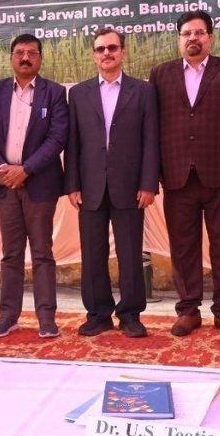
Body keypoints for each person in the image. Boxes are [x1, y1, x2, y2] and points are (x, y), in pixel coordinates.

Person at [149, 11, 220, 338]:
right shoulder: (161, 74)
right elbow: (152, 128)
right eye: (186, 33)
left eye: (199, 32)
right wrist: (153, 172)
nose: (193, 38)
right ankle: (188, 310)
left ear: (210, 37)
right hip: (177, 175)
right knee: (183, 246)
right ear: (179, 39)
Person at [65, 27, 159, 338]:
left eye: (112, 48)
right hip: (89, 186)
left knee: (130, 252)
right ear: (94, 55)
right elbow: (73, 142)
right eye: (100, 49)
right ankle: (98, 314)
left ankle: (130, 315)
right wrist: (72, 184)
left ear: (123, 52)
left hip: (130, 186)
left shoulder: (143, 91)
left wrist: (148, 183)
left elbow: (151, 140)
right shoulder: (78, 94)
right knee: (92, 253)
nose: (107, 53)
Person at [0, 33, 69, 338]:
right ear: (11, 58)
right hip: (4, 183)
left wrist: (27, 169)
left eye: (32, 53)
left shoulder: (54, 93)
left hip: (40, 185)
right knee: (11, 253)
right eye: (19, 52)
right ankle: (8, 316)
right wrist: (1, 167)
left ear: (40, 58)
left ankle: (46, 317)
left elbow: (57, 138)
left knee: (42, 252)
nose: (25, 58)